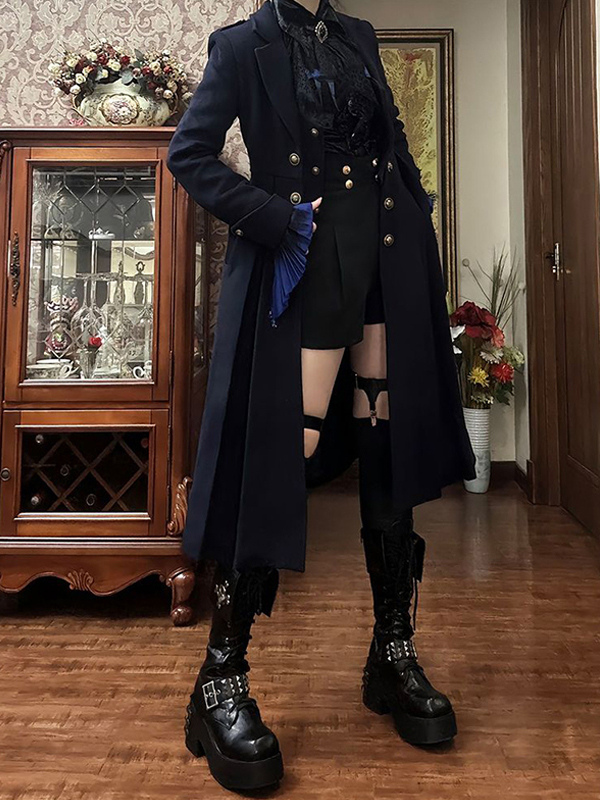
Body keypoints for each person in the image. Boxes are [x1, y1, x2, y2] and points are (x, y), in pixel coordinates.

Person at [167, 0, 476, 791]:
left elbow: (390, 141)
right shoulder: (242, 46)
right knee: (279, 459)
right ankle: (220, 678)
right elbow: (189, 155)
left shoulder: (357, 36)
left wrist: (418, 209)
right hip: (304, 268)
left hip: (387, 262)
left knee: (387, 447)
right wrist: (272, 218)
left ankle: (392, 653)